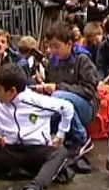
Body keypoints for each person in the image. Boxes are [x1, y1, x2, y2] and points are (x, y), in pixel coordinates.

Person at [35, 21, 97, 155]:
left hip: (86, 106)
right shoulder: (52, 61)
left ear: (69, 44)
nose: (52, 50)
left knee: (59, 97)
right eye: (49, 46)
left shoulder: (82, 59)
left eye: (56, 46)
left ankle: (82, 138)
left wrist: (58, 88)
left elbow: (89, 91)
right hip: (62, 106)